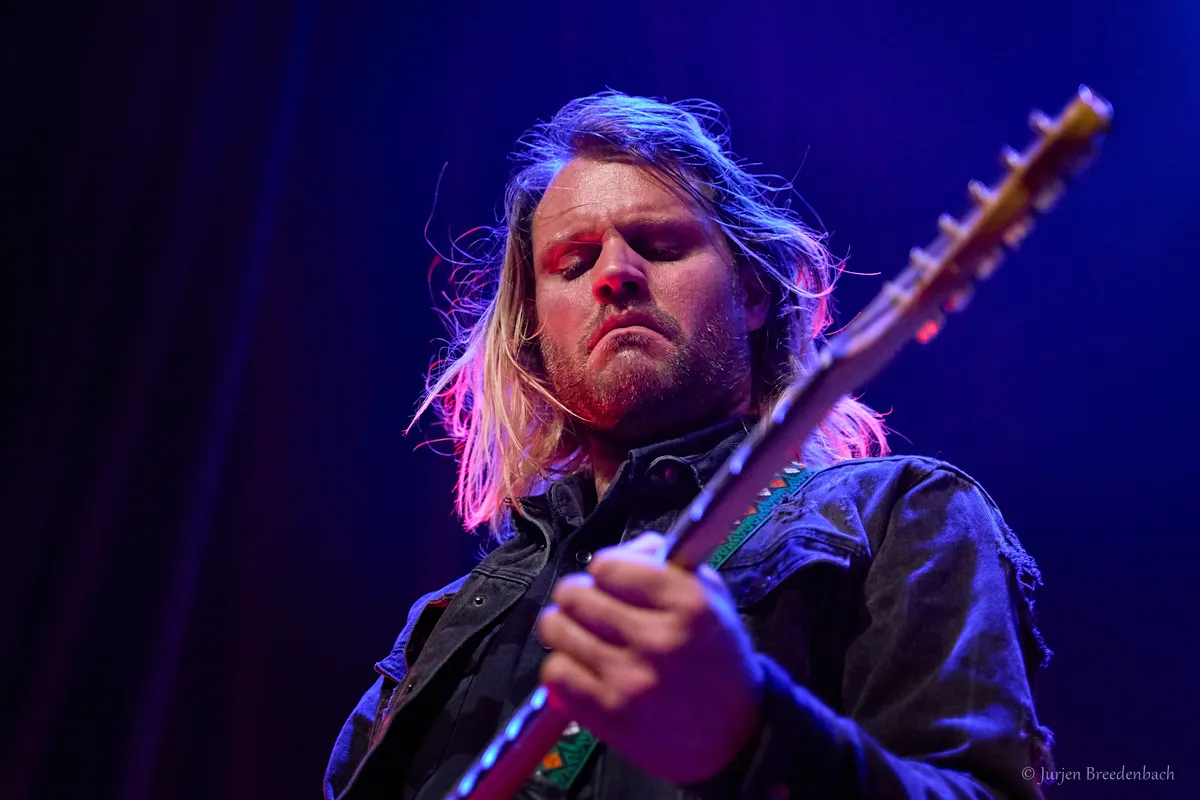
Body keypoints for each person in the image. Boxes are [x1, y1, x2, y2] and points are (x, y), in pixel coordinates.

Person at [323, 91, 1054, 800]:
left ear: (753, 294)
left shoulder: (902, 516)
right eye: (574, 263)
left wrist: (751, 732)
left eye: (661, 246)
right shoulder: (439, 627)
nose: (615, 274)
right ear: (537, 338)